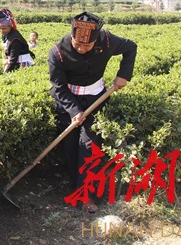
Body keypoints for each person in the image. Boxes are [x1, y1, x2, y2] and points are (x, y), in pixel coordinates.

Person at [47, 11, 137, 213]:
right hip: (67, 101)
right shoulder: (58, 51)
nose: (80, 49)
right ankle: (76, 186)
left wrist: (124, 75)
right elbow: (58, 87)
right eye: (77, 44)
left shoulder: (106, 41)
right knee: (70, 145)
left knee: (89, 144)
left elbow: (131, 47)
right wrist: (74, 111)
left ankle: (88, 195)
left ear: (96, 42)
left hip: (96, 99)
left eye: (86, 46)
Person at [0, 8, 35, 72]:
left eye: (4, 28)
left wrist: (5, 73)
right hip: (13, 62)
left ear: (10, 26)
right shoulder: (7, 34)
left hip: (22, 65)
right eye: (0, 28)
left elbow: (13, 60)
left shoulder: (15, 39)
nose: (2, 31)